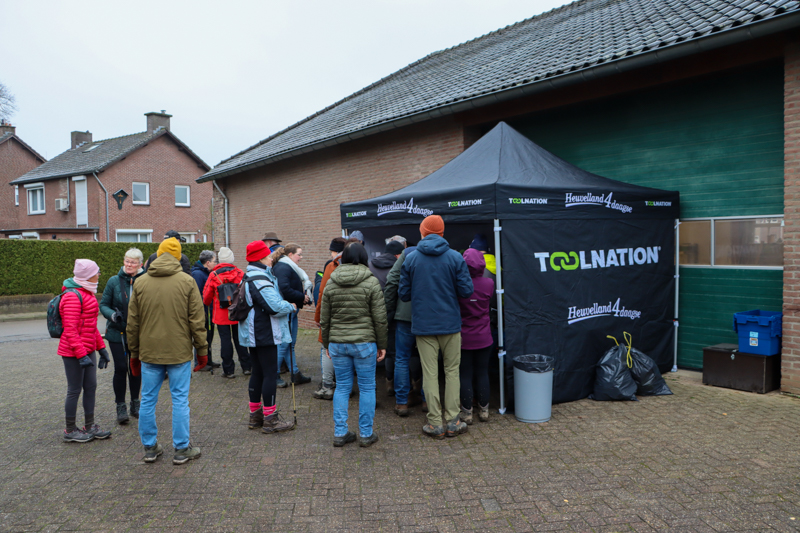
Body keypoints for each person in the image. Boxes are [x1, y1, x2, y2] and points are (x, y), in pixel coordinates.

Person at [127, 238, 208, 465]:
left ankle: (150, 448)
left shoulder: (141, 282)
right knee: (180, 400)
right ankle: (181, 448)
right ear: (179, 257)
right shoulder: (187, 281)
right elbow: (197, 320)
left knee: (147, 399)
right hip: (178, 351)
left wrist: (133, 354)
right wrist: (202, 351)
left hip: (149, 351)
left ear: (158, 254)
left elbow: (132, 323)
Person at [399, 215, 474, 439]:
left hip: (423, 325)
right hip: (450, 323)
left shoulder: (411, 259)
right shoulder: (455, 257)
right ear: (442, 233)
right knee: (452, 371)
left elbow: (403, 294)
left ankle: (434, 423)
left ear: (423, 232)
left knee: (430, 373)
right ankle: (453, 421)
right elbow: (467, 291)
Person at [321, 242, 388, 448]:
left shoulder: (332, 281)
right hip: (364, 343)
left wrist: (326, 343)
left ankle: (340, 433)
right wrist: (382, 344)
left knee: (342, 387)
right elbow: (380, 318)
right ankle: (366, 434)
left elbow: (325, 318)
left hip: (338, 343)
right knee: (367, 387)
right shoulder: (371, 281)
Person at [239, 240, 296, 434]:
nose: (271, 258)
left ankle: (255, 416)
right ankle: (270, 419)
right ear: (260, 258)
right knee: (270, 374)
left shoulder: (249, 275)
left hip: (254, 332)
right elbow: (275, 306)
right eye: (268, 256)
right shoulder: (260, 279)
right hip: (265, 332)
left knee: (258, 372)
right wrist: (291, 306)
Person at [58, 259, 112, 443]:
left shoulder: (87, 293)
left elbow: (91, 327)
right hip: (73, 352)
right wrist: (81, 355)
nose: (99, 275)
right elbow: (70, 329)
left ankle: (89, 426)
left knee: (90, 387)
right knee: (74, 389)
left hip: (87, 350)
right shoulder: (72, 296)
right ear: (88, 275)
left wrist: (101, 348)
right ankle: (70, 430)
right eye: (97, 272)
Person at [99, 248, 145, 425]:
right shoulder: (113, 281)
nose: (129, 265)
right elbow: (104, 304)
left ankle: (135, 403)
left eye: (133, 262)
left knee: (135, 368)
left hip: (138, 333)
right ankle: (120, 406)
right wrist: (112, 315)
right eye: (127, 261)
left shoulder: (146, 280)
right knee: (120, 368)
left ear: (140, 264)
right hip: (116, 332)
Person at [203, 247, 252, 378]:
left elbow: (206, 297)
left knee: (225, 341)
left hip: (221, 313)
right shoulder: (239, 273)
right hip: (237, 312)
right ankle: (246, 366)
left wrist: (210, 302)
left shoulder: (213, 275)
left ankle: (228, 370)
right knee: (240, 339)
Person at [458, 248, 495, 424]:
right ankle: (484, 410)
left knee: (464, 374)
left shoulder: (459, 284)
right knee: (482, 372)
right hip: (483, 336)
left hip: (464, 337)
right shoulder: (489, 283)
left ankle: (467, 412)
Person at [384, 243, 421, 417]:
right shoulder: (444, 253)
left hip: (405, 314)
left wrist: (390, 309)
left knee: (401, 358)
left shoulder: (408, 254)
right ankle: (427, 400)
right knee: (428, 360)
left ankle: (402, 402)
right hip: (429, 316)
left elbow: (392, 280)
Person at [271, 243, 312, 387]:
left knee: (290, 344)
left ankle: (295, 374)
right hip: (287, 310)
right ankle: (274, 375)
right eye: (299, 254)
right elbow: (284, 289)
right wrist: (302, 297)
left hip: (292, 311)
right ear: (290, 255)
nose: (301, 257)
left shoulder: (289, 266)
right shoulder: (283, 267)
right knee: (284, 344)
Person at [312, 237, 347, 400]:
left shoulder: (332, 265)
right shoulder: (359, 263)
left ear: (335, 251)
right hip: (352, 317)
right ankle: (344, 386)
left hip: (332, 315)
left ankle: (327, 386)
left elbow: (322, 293)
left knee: (326, 348)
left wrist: (318, 316)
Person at [369, 239, 405, 396]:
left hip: (373, 316)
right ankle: (395, 385)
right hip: (395, 315)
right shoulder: (400, 267)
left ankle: (380, 386)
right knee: (395, 352)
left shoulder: (370, 266)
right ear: (397, 255)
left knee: (373, 352)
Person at [191, 250, 221, 371]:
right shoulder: (198, 274)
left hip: (209, 310)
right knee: (202, 338)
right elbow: (196, 294)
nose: (216, 263)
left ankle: (208, 360)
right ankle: (199, 363)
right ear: (208, 263)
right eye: (214, 261)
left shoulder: (207, 273)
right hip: (203, 311)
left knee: (209, 337)